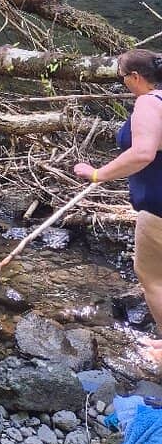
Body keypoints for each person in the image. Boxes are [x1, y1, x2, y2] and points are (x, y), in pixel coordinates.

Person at [75, 49, 162, 360]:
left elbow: (142, 154)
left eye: (123, 78)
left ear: (136, 78)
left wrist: (97, 174)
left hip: (159, 209)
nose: (123, 83)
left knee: (151, 276)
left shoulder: (147, 105)